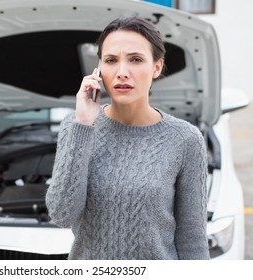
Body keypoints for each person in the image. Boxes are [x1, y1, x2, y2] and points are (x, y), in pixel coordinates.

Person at [45, 16, 210, 260]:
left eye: (136, 59)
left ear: (156, 67)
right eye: (111, 61)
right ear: (99, 68)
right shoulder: (76, 125)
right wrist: (83, 125)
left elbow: (193, 239)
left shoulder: (186, 139)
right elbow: (61, 215)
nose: (122, 72)